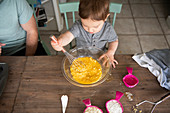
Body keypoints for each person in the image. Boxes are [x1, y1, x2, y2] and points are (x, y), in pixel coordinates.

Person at [51, 0, 118, 68]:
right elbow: (68, 36)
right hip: (81, 58)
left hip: (100, 58)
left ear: (106, 17)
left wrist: (110, 51)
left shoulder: (108, 29)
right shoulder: (78, 26)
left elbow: (114, 41)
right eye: (85, 25)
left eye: (95, 26)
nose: (90, 30)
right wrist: (61, 41)